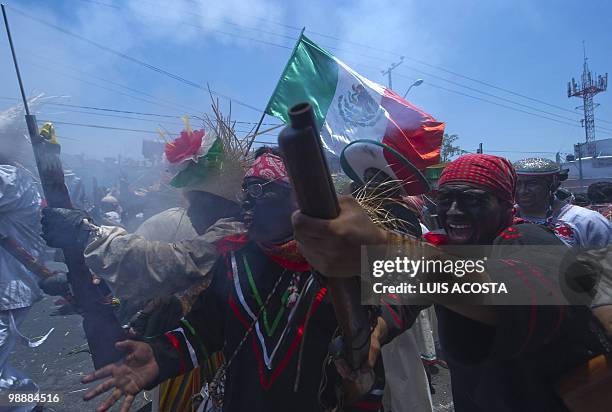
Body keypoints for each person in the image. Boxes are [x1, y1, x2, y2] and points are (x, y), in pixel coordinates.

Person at [292, 153, 611, 411]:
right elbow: (408, 297)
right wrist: (375, 331)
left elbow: (506, 291)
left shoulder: (528, 237)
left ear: (504, 205)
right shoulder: (455, 251)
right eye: (446, 199)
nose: (454, 211)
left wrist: (382, 250)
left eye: (471, 200)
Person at [79, 148, 384, 412]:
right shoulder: (236, 260)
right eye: (246, 189)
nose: (247, 202)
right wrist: (159, 355)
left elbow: (416, 291)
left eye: (261, 190)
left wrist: (376, 334)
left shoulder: (342, 261)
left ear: (297, 201)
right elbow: (204, 330)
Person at [513, 157, 612, 248]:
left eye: (532, 183)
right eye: (517, 183)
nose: (522, 190)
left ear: (553, 184)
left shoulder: (586, 221)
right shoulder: (504, 217)